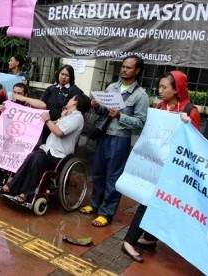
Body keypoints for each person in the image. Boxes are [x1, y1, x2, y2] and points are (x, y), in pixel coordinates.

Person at [121, 71, 201, 263]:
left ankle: (148, 237)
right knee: (147, 200)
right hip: (156, 165)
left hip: (174, 169)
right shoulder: (160, 106)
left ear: (177, 89)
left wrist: (188, 125)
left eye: (165, 87)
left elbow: (194, 144)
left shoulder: (191, 111)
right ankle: (129, 241)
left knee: (162, 203)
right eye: (160, 86)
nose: (160, 90)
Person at [80, 55, 150, 227]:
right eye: (123, 66)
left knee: (113, 176)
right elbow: (104, 109)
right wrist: (97, 106)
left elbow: (141, 123)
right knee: (98, 172)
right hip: (104, 135)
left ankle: (106, 212)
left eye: (128, 67)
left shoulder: (141, 95)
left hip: (120, 138)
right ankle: (95, 204)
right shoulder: (112, 87)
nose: (124, 70)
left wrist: (120, 116)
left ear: (137, 71)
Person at [0, 93, 91, 202]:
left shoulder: (77, 117)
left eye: (72, 98)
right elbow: (55, 124)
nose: (69, 100)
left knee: (38, 159)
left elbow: (59, 132)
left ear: (75, 102)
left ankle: (27, 193)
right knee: (31, 156)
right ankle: (11, 187)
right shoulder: (69, 115)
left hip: (59, 156)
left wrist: (47, 120)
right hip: (48, 150)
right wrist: (59, 117)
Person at [0, 83, 46, 181]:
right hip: (5, 134)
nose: (16, 95)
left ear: (26, 94)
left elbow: (43, 105)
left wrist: (24, 99)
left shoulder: (30, 106)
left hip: (21, 139)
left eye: (19, 93)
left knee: (5, 146)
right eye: (14, 92)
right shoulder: (8, 104)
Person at [40, 64, 84, 142]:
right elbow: (42, 104)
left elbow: (75, 109)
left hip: (62, 127)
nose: (63, 77)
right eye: (62, 74)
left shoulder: (74, 91)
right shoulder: (51, 89)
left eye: (67, 75)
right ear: (58, 74)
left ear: (71, 77)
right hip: (47, 124)